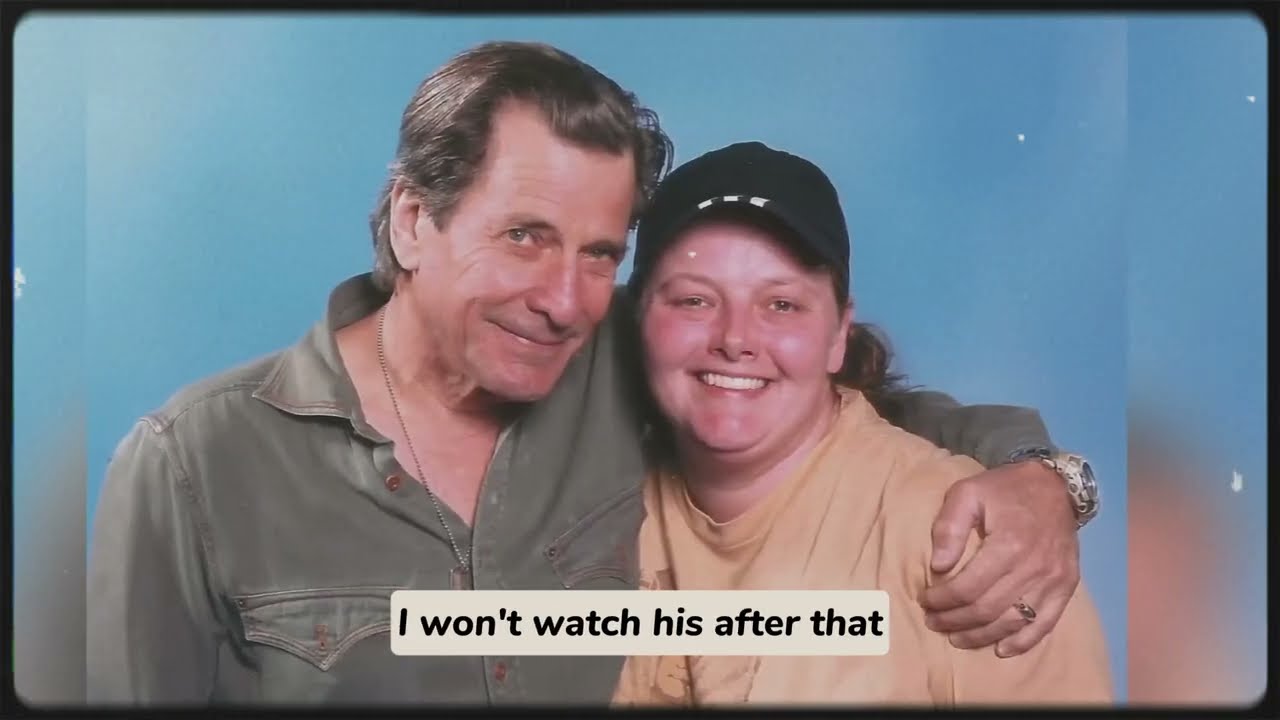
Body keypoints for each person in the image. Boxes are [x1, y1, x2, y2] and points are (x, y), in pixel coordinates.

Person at [87, 42, 1098, 705]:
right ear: (413, 221)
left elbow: (843, 408)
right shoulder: (192, 466)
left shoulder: (624, 356)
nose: (565, 300)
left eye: (599, 255)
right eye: (525, 236)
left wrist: (1043, 480)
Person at [611, 141, 1111, 706]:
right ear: (635, 316)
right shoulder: (595, 503)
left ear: (837, 336)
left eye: (782, 305)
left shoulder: (981, 549)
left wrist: (1051, 476)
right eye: (694, 301)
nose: (735, 339)